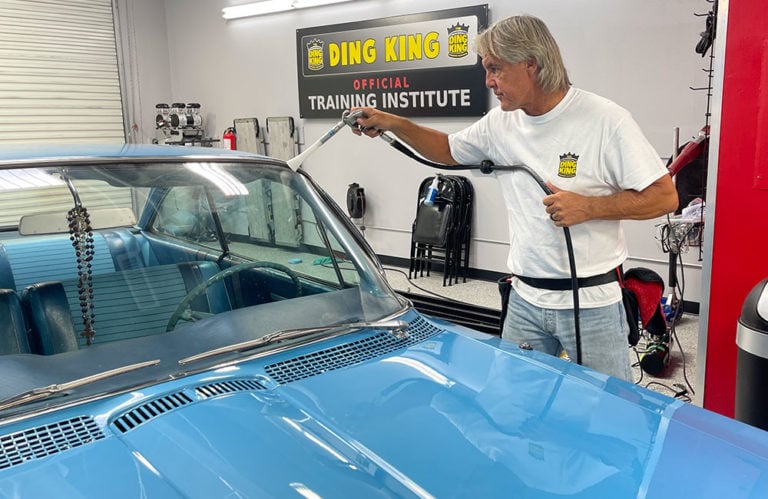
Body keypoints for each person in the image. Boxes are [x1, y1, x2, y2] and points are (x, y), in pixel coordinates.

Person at [351, 14, 678, 381]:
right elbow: (447, 150)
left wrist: (590, 207)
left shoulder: (605, 121)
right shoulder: (500, 123)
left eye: (495, 69)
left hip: (591, 304)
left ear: (531, 64)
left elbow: (664, 197)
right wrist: (393, 122)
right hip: (524, 300)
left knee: (608, 415)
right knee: (513, 409)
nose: (489, 82)